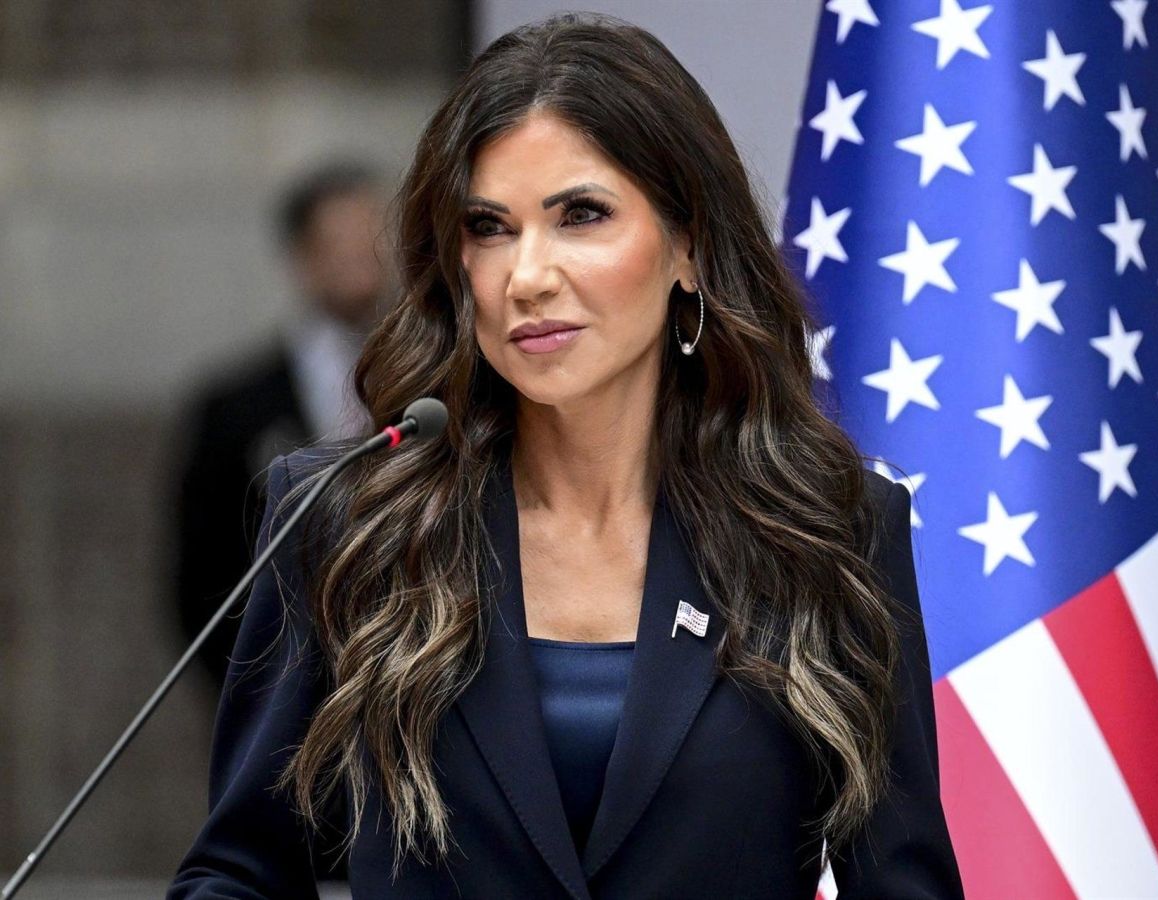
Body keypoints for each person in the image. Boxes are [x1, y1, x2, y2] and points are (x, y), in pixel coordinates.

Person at [169, 13, 963, 899]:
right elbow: (238, 872)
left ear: (688, 245)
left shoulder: (829, 529)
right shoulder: (349, 524)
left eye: (580, 215)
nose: (528, 276)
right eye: (489, 227)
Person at [173, 161, 388, 691]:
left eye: (374, 241)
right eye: (341, 243)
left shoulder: (431, 386)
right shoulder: (236, 408)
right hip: (279, 690)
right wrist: (253, 692)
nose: (362, 259)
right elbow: (201, 578)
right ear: (303, 257)